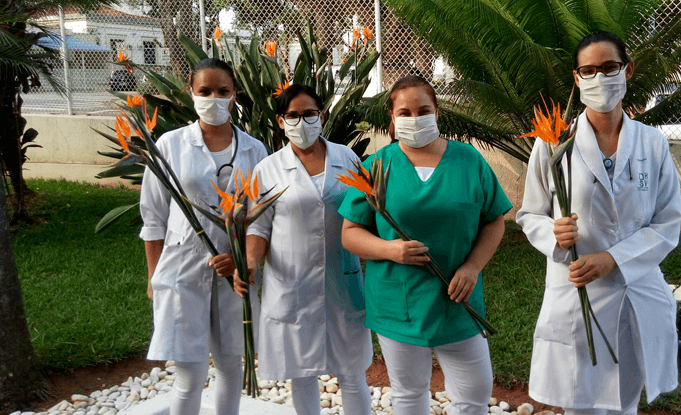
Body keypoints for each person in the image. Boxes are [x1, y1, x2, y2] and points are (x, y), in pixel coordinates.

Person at [516, 32, 681, 415]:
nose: (599, 79)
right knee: (581, 402)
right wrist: (554, 234)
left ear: (628, 70)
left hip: (635, 290)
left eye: (609, 68)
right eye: (588, 71)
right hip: (578, 297)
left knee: (625, 402)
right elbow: (530, 214)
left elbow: (668, 223)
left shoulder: (652, 144)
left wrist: (613, 258)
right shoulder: (554, 142)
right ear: (576, 78)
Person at [338, 75, 512, 415]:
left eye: (423, 110)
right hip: (397, 303)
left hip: (457, 299)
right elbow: (349, 232)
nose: (414, 119)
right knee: (408, 394)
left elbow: (494, 220)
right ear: (391, 118)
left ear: (437, 113)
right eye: (404, 112)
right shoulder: (376, 166)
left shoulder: (468, 161)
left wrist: (473, 266)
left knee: (475, 392)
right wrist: (392, 250)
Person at [139, 58, 267, 415]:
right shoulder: (170, 145)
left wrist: (241, 257)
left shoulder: (255, 150)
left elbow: (260, 217)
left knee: (230, 368)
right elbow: (153, 218)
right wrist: (153, 277)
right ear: (190, 93)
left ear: (234, 96)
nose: (214, 98)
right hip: (181, 269)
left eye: (223, 91)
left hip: (234, 275)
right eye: (205, 91)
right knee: (190, 376)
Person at [235, 84, 373, 415]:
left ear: (321, 116)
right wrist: (251, 262)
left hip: (342, 278)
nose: (302, 122)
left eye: (309, 114)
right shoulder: (267, 169)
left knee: (352, 372)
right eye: (293, 116)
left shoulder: (347, 158)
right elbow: (258, 226)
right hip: (291, 283)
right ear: (281, 121)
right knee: (302, 373)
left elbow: (366, 213)